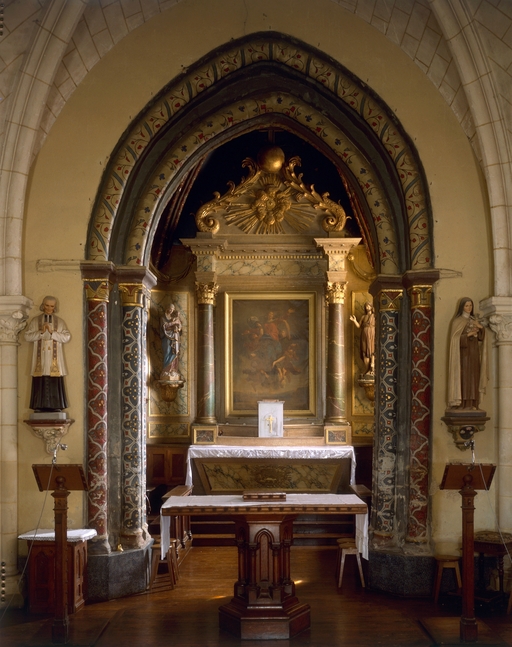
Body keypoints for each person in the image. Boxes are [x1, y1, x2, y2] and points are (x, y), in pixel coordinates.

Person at [25, 296, 70, 412]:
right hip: (40, 357)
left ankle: (56, 405)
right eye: (47, 305)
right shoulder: (35, 321)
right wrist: (41, 332)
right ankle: (38, 406)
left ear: (55, 307)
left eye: (52, 306)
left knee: (55, 379)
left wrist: (52, 333)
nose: (49, 308)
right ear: (43, 305)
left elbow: (66, 337)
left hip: (54, 359)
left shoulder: (60, 322)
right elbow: (27, 336)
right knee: (40, 379)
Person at [448, 297, 487, 410]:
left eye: (470, 305)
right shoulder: (457, 321)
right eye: (466, 306)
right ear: (462, 307)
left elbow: (481, 338)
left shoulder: (474, 320)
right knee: (465, 377)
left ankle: (474, 403)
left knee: (474, 376)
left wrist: (480, 327)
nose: (469, 308)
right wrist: (469, 334)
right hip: (463, 355)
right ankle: (463, 404)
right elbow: (455, 339)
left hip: (474, 353)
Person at [350, 301, 376, 375]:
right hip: (364, 336)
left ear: (371, 307)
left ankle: (372, 368)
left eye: (368, 306)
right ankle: (367, 368)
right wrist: (354, 320)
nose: (367, 307)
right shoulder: (363, 317)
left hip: (372, 335)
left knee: (372, 350)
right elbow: (359, 326)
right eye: (366, 306)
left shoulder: (374, 316)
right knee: (365, 351)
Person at [160, 303, 182, 380]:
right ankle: (166, 370)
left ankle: (173, 370)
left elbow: (179, 327)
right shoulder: (163, 318)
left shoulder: (174, 318)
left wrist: (178, 326)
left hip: (175, 337)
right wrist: (173, 323)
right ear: (167, 308)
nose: (171, 311)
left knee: (174, 352)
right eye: (170, 309)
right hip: (166, 338)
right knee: (167, 351)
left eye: (172, 309)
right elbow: (164, 326)